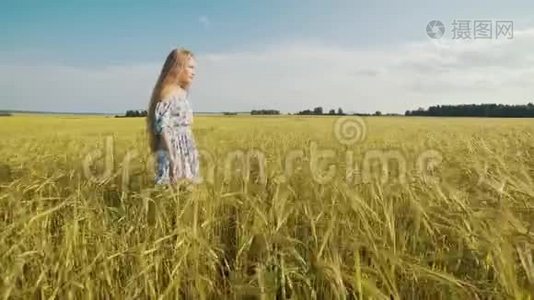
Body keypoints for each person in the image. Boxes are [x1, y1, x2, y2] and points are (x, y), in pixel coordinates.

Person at [146, 48, 202, 187]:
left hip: (186, 149)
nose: (194, 72)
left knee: (187, 189)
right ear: (177, 68)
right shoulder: (167, 93)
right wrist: (172, 158)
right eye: (190, 67)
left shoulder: (182, 92)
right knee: (170, 187)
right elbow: (162, 127)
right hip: (171, 149)